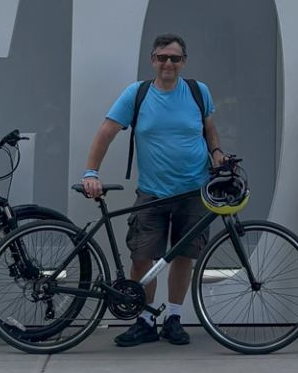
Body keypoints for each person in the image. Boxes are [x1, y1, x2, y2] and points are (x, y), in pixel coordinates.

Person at [80, 34, 227, 348]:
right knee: (142, 258)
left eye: (174, 58)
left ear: (183, 62)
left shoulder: (198, 92)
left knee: (184, 256)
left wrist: (216, 153)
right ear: (152, 61)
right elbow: (106, 132)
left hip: (193, 190)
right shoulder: (138, 94)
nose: (168, 64)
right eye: (162, 58)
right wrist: (91, 171)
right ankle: (145, 319)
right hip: (153, 192)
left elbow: (210, 128)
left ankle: (173, 318)